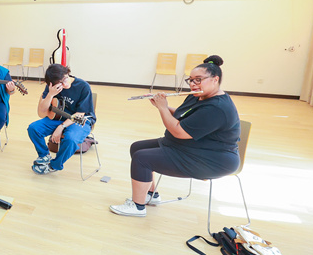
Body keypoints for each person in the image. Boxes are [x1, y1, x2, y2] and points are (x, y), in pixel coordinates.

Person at [110, 55, 241, 217]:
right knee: (137, 147)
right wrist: (162, 105)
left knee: (142, 158)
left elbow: (179, 131)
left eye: (198, 80)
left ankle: (137, 207)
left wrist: (163, 108)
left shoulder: (217, 108)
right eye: (191, 80)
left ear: (215, 79)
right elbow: (183, 115)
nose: (193, 84)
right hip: (191, 147)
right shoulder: (198, 96)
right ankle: (151, 194)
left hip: (212, 159)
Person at [28, 64, 95, 174]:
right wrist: (50, 94)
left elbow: (80, 114)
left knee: (71, 139)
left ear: (68, 73)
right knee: (33, 128)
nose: (65, 84)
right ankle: (44, 156)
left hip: (80, 121)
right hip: (58, 118)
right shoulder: (52, 87)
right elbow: (42, 111)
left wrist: (61, 127)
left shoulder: (83, 86)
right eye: (60, 82)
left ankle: (54, 165)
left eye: (65, 79)